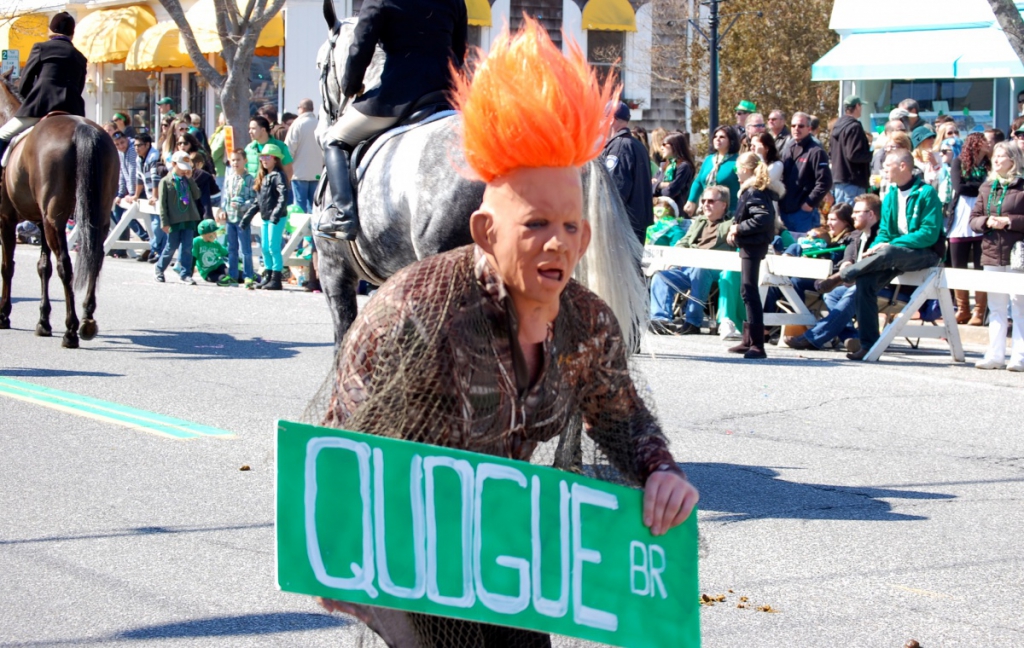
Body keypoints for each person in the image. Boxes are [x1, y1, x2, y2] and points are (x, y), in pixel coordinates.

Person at [316, 23, 698, 645]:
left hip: (511, 560)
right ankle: (338, 209)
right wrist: (379, 606)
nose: (558, 243)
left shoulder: (585, 320)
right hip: (418, 564)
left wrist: (660, 472)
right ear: (486, 231)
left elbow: (623, 419)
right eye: (536, 224)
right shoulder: (411, 309)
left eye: (572, 226)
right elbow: (340, 462)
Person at [319, 0, 468, 238]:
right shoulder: (455, 2)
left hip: (398, 98)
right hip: (446, 96)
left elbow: (359, 50)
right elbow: (459, 53)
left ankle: (343, 214)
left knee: (334, 139)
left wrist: (350, 87)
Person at [816, 150, 944, 361]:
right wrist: (873, 249)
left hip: (926, 253)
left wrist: (889, 245)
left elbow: (928, 234)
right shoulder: (892, 194)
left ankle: (842, 275)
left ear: (903, 166)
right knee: (865, 281)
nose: (883, 169)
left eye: (887, 166)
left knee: (889, 250)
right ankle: (869, 345)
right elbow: (884, 231)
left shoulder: (926, 193)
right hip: (895, 253)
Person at [785, 193, 882, 353]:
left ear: (871, 214)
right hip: (851, 282)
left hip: (880, 284)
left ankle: (812, 337)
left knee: (856, 290)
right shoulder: (856, 235)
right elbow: (849, 256)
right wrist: (847, 263)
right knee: (832, 294)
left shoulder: (881, 235)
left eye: (857, 212)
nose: (853, 216)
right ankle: (851, 336)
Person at [648, 186, 735, 336]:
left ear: (724, 205)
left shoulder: (731, 224)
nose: (705, 204)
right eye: (703, 201)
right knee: (661, 276)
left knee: (699, 269)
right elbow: (684, 241)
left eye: (711, 201)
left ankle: (693, 322)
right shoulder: (698, 222)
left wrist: (735, 231)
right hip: (689, 267)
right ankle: (660, 320)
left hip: (715, 270)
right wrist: (676, 257)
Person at [0, 12, 86, 160]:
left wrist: (28, 102)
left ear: (51, 30)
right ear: (72, 34)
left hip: (41, 107)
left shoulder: (41, 48)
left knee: (2, 134)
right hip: (73, 111)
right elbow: (80, 87)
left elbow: (25, 81)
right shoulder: (80, 57)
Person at [969, 141, 1024, 371]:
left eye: (1002, 156)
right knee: (996, 305)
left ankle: (1019, 356)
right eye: (996, 156)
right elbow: (973, 219)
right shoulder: (987, 187)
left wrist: (1010, 221)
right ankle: (995, 354)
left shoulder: (1022, 187)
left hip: (1016, 253)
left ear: (1013, 160)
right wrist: (986, 222)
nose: (997, 160)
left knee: (1019, 304)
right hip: (991, 252)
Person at [725, 153, 776, 359]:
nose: (736, 174)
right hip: (751, 244)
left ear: (746, 170)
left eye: (738, 170)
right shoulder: (753, 191)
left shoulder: (754, 191)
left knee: (749, 290)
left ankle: (757, 343)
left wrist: (738, 228)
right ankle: (748, 339)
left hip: (753, 244)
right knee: (746, 290)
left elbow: (762, 219)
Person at [949, 132, 990, 325]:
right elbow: (960, 187)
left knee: (981, 265)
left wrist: (976, 186)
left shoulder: (990, 164)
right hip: (961, 216)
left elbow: (990, 187)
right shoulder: (959, 162)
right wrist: (981, 186)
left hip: (983, 215)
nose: (989, 145)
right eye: (985, 142)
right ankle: (962, 308)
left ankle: (979, 311)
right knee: (958, 264)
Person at [602, 101, 654, 244]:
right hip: (636, 224)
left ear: (611, 119)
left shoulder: (619, 146)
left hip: (623, 226)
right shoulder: (636, 145)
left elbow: (614, 189)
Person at [242, 143, 289, 291]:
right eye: (262, 156)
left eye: (267, 156)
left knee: (273, 247)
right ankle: (268, 276)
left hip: (277, 217)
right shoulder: (264, 176)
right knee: (265, 247)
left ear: (275, 159)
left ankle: (276, 278)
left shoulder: (278, 176)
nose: (264, 159)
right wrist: (247, 216)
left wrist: (276, 213)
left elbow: (283, 195)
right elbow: (258, 201)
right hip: (266, 217)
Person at [779, 111, 833, 236]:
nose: (796, 129)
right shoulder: (789, 146)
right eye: (793, 126)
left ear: (809, 128)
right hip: (785, 210)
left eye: (801, 126)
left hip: (803, 213)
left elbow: (825, 181)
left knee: (804, 249)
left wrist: (809, 203)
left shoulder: (816, 151)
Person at [155, 151, 203, 285]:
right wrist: (164, 222)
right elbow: (163, 204)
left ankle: (185, 273)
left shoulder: (187, 180)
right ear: (174, 164)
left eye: (186, 168)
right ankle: (159, 269)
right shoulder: (165, 181)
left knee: (188, 247)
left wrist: (190, 179)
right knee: (171, 247)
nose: (184, 171)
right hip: (174, 220)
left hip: (188, 218)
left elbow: (197, 194)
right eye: (181, 167)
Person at [110, 130, 150, 258]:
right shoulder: (120, 153)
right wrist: (121, 194)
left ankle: (147, 239)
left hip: (141, 189)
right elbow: (122, 173)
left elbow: (134, 172)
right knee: (120, 214)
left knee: (128, 215)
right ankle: (128, 245)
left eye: (122, 142)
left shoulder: (133, 150)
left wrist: (132, 194)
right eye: (117, 144)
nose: (121, 146)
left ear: (126, 139)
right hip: (130, 190)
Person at [685, 125, 740, 215]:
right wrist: (691, 201)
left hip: (729, 213)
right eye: (715, 136)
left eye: (722, 137)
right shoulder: (709, 159)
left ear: (731, 141)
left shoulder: (737, 161)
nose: (717, 139)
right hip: (707, 211)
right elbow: (698, 181)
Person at [830, 96, 872, 205]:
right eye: (861, 106)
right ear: (857, 106)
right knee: (852, 219)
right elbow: (854, 155)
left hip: (840, 181)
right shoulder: (854, 127)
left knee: (843, 218)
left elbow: (831, 153)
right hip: (853, 182)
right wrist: (872, 154)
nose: (861, 108)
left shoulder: (837, 126)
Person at [223, 149, 257, 284]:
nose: (235, 162)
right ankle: (233, 274)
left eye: (238, 159)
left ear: (245, 161)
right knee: (231, 248)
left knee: (245, 249)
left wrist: (243, 205)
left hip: (243, 219)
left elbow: (254, 199)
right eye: (233, 160)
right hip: (230, 218)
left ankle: (248, 275)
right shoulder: (229, 178)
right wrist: (222, 210)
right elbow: (225, 198)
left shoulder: (250, 179)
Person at [285, 98, 322, 213]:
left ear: (302, 108)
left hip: (299, 172)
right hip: (317, 172)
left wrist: (286, 169)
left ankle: (302, 230)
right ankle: (313, 229)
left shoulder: (297, 124)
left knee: (299, 205)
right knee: (314, 205)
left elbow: (289, 149)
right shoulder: (319, 124)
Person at [133, 131, 165, 264]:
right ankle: (156, 250)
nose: (136, 148)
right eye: (135, 146)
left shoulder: (153, 157)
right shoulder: (139, 158)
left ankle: (157, 250)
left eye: (139, 145)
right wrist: (136, 195)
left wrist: (155, 196)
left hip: (160, 194)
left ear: (147, 145)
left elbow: (155, 178)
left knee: (158, 225)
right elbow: (139, 178)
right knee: (154, 224)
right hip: (150, 194)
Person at [653, 132, 695, 208]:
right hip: (659, 210)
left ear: (675, 146)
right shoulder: (663, 165)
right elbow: (650, 186)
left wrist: (657, 186)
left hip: (676, 211)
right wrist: (661, 185)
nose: (661, 148)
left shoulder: (684, 166)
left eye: (664, 144)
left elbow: (670, 192)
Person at [191, 219, 236, 286]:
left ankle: (255, 278)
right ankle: (225, 281)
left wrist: (237, 259)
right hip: (207, 272)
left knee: (232, 274)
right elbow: (193, 258)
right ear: (206, 234)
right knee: (221, 278)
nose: (216, 235)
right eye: (213, 233)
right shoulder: (196, 242)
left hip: (218, 265)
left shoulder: (215, 243)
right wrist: (189, 274)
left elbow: (226, 253)